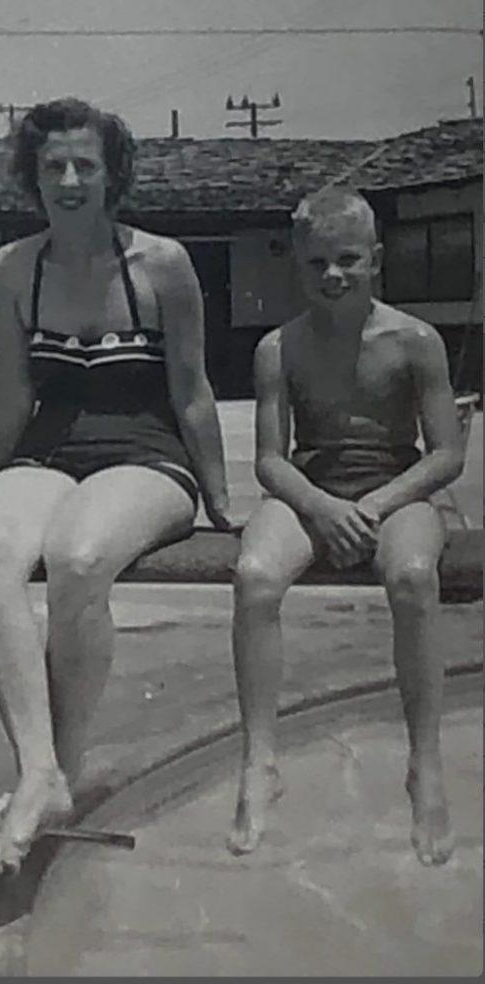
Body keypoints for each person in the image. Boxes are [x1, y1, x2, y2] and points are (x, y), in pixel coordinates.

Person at [0, 98, 232, 873]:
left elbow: (192, 391)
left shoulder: (163, 265)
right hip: (50, 450)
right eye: (53, 167)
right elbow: (12, 391)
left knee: (80, 557)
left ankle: (58, 770)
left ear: (114, 176)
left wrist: (218, 501)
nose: (70, 180)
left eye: (86, 165)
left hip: (148, 455)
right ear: (31, 177)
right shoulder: (14, 269)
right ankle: (39, 771)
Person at [227, 187, 466, 865]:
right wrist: (323, 508)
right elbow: (271, 460)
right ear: (297, 266)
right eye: (317, 263)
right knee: (254, 578)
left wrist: (377, 505)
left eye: (348, 260)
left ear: (376, 261)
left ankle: (426, 762)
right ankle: (260, 761)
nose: (333, 275)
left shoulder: (415, 341)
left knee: (414, 579)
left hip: (395, 486)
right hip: (314, 487)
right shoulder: (281, 348)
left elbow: (447, 453)